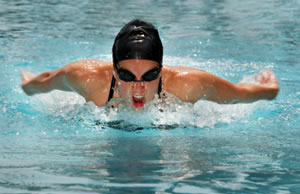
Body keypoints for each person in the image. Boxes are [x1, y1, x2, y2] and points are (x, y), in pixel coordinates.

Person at [21, 19, 279, 112]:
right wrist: (28, 86)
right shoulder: (86, 78)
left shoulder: (189, 84)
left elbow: (238, 96)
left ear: (162, 70)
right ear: (113, 70)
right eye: (126, 75)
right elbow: (46, 80)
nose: (138, 87)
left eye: (150, 75)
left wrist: (269, 90)